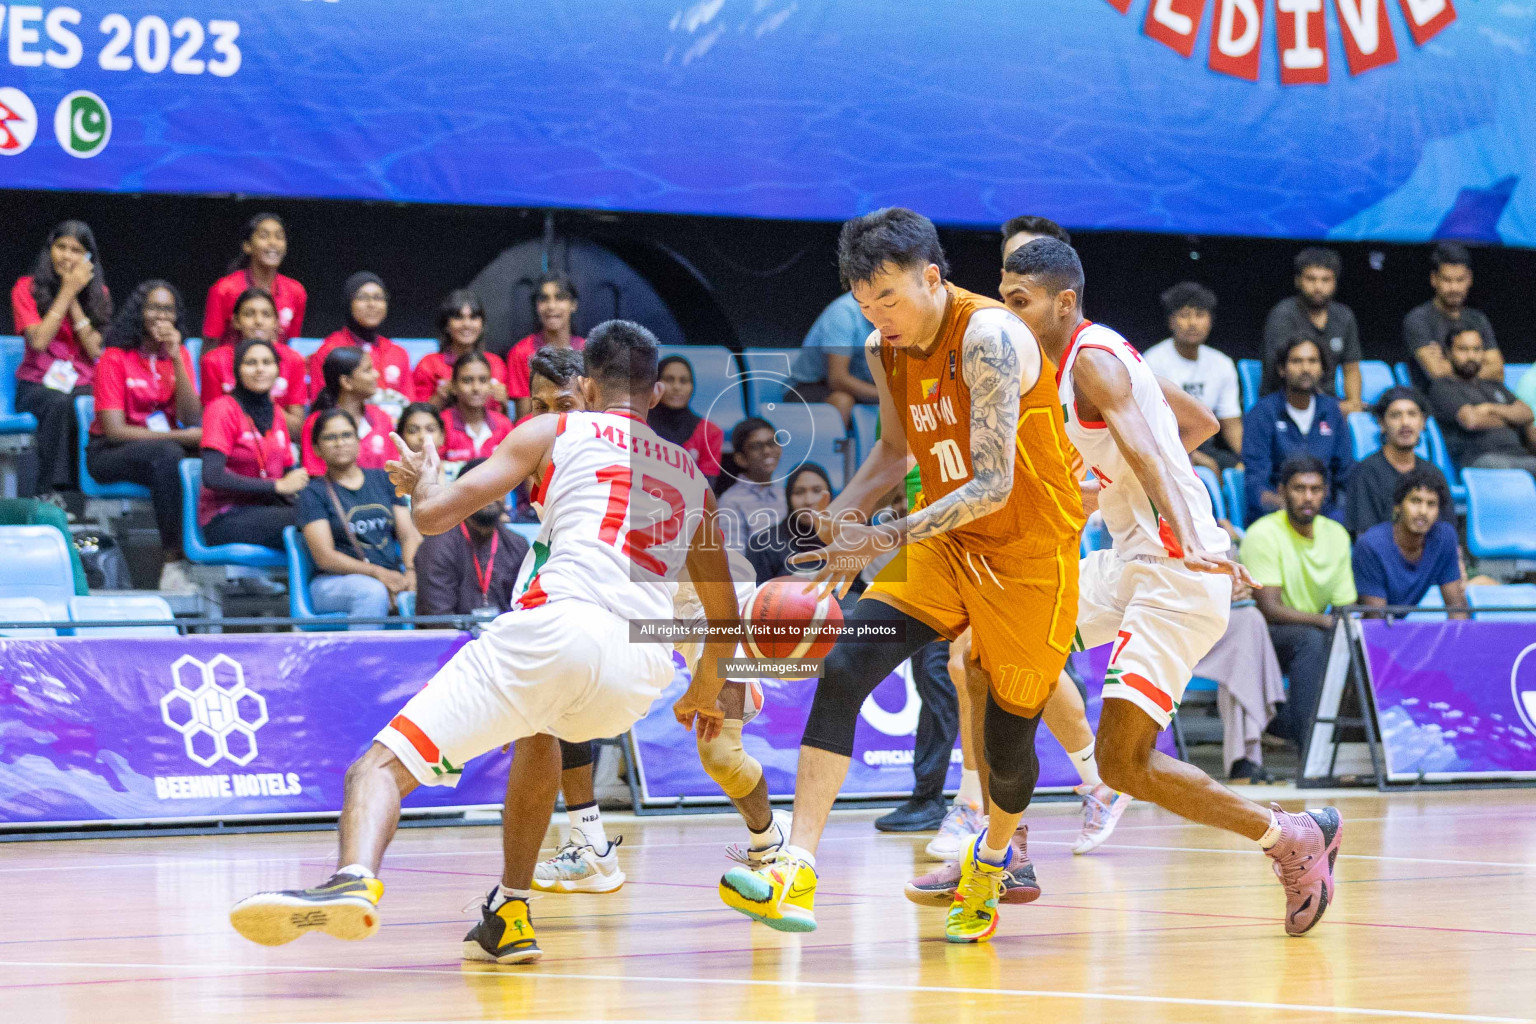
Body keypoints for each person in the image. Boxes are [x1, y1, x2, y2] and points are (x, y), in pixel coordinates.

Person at [229, 320, 737, 967]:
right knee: (541, 731)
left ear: (582, 385)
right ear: (660, 392)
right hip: (638, 672)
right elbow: (724, 622)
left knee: (378, 768)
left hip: (559, 626)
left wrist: (421, 483)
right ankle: (510, 913)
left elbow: (437, 519)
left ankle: (353, 877)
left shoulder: (556, 429)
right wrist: (701, 688)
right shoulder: (694, 476)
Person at [718, 208, 1087, 942]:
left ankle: (992, 859)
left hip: (1029, 554)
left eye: (889, 298)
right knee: (846, 662)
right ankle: (798, 865)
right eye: (864, 303)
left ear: (931, 277)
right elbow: (893, 454)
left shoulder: (988, 338)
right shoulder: (883, 347)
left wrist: (882, 534)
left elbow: (991, 485)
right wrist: (843, 527)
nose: (878, 316)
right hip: (947, 550)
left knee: (1010, 747)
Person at [1006, 237, 1340, 938]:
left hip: (1174, 573)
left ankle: (1291, 836)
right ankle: (997, 843)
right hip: (1134, 558)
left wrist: (1194, 539)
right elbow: (1200, 424)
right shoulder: (1094, 357)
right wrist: (1107, 488)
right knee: (990, 645)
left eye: (1019, 302)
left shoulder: (1093, 363)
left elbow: (1159, 448)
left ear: (1064, 302)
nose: (1008, 315)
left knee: (1125, 763)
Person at [88, 280, 202, 593]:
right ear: (140, 312)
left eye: (169, 309)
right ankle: (172, 563)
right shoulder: (115, 357)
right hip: (109, 452)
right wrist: (181, 439)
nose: (162, 316)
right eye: (154, 308)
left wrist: (177, 358)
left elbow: (190, 417)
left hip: (161, 450)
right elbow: (114, 430)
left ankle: (210, 555)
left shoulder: (176, 357)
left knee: (214, 452)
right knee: (169, 454)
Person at [1240, 455, 1357, 749]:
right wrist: (1324, 621)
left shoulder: (1337, 535)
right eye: (1299, 488)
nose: (1308, 497)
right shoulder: (1262, 534)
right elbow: (1269, 609)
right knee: (1311, 640)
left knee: (1354, 642)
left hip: (1309, 630)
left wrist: (1342, 628)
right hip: (1261, 636)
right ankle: (1311, 752)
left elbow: (1346, 604)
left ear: (1326, 493)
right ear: (1282, 491)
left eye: (1316, 489)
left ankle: (1358, 746)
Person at [12, 220, 110, 499]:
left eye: (76, 250)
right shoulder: (26, 288)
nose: (67, 256)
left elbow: (96, 352)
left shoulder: (99, 295)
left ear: (88, 258)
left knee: (95, 401)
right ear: (49, 250)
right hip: (37, 385)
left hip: (82, 382)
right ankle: (49, 493)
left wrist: (75, 298)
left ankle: (88, 494)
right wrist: (66, 290)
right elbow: (39, 342)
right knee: (58, 401)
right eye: (61, 247)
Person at [296, 408, 421, 629]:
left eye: (346, 435)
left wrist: (410, 572)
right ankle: (364, 662)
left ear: (358, 440)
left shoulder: (384, 480)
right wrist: (378, 574)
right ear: (316, 449)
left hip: (391, 574)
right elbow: (325, 557)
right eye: (330, 437)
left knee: (429, 584)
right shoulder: (313, 493)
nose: (339, 443)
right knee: (371, 592)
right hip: (332, 583)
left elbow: (409, 535)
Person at [198, 338, 309, 551]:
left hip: (267, 509)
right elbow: (212, 477)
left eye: (267, 362)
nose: (260, 369)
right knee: (315, 521)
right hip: (226, 517)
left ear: (277, 370)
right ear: (237, 370)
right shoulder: (221, 409)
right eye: (251, 363)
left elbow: (287, 474)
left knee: (328, 511)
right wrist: (276, 485)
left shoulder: (276, 413)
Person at [1242, 336, 1353, 525]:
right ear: (1282, 369)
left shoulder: (1332, 411)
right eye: (1296, 361)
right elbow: (1256, 483)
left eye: (1312, 361)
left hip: (1326, 516)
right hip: (1277, 516)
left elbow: (1345, 473)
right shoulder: (1262, 413)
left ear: (1322, 368)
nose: (1305, 368)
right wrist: (1296, 511)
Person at [1142, 282, 1243, 472]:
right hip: (1165, 444)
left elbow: (1231, 423)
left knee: (1242, 470)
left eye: (1199, 315)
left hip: (1206, 442)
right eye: (1184, 315)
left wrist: (1247, 459)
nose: (1192, 323)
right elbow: (1149, 425)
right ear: (1171, 321)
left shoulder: (1222, 363)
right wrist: (1195, 457)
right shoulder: (1152, 361)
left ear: (1210, 321)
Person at [413, 457, 529, 619]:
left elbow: (527, 610)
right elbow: (438, 619)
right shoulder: (437, 545)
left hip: (506, 639)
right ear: (459, 495)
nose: (490, 494)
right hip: (454, 641)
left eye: (497, 486)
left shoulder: (518, 544)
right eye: (481, 486)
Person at [1353, 468, 1467, 615]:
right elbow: (1376, 620)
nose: (1423, 511)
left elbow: (1457, 608)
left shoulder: (1445, 538)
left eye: (1431, 504)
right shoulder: (1371, 545)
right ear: (1397, 506)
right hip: (1361, 630)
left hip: (1398, 627)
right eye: (1415, 501)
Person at [1261, 248, 1363, 410]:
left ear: (1335, 282)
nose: (1318, 287)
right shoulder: (1282, 315)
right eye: (1311, 279)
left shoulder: (1344, 315)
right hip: (1286, 402)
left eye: (1325, 280)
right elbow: (1280, 372)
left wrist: (1353, 403)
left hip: (1328, 403)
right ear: (1298, 280)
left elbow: (1351, 368)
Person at [199, 288, 309, 437]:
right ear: (236, 321)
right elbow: (211, 423)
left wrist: (261, 402)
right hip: (231, 443)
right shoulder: (213, 361)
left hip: (279, 443)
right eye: (249, 314)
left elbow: (296, 429)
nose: (258, 321)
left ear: (276, 323)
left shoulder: (294, 360)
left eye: (266, 315)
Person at [1345, 386, 1454, 535]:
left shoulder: (1433, 474)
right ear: (1381, 423)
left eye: (1412, 414)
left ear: (1422, 422)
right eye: (1396, 415)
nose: (1405, 423)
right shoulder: (1366, 473)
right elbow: (1365, 539)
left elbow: (1447, 533)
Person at [1429, 328, 1536, 476]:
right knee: (1505, 470)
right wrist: (1511, 419)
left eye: (1476, 349)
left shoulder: (1494, 384)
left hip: (1520, 456)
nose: (1471, 356)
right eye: (1463, 349)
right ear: (1448, 353)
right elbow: (1471, 421)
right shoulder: (1444, 387)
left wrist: (1490, 408)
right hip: (1481, 460)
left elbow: (1527, 414)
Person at [309, 273, 414, 420]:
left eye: (378, 297)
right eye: (362, 297)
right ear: (348, 303)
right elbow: (320, 410)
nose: (372, 304)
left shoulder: (398, 353)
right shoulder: (329, 351)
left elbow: (410, 408)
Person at [1403, 242, 1503, 393]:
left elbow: (1498, 371)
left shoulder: (1478, 319)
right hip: (1437, 402)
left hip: (1481, 396)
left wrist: (1449, 364)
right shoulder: (1418, 319)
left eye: (1460, 280)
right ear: (1434, 279)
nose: (1454, 288)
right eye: (1447, 280)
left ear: (1469, 278)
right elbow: (1437, 372)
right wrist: (1475, 365)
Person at [202, 213, 306, 346]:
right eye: (264, 236)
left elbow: (291, 346)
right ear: (247, 246)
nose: (273, 243)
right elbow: (209, 350)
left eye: (279, 237)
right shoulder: (223, 289)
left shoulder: (296, 292)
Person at [300, 347, 399, 475]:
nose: (376, 374)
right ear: (346, 382)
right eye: (367, 370)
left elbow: (393, 470)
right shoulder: (315, 423)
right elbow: (314, 475)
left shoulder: (382, 418)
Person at [787, 292, 879, 423]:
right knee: (843, 400)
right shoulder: (843, 313)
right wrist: (891, 396)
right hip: (808, 387)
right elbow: (837, 380)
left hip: (863, 387)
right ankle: (840, 444)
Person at [412, 289, 509, 412]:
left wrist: (503, 402)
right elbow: (417, 417)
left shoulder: (496, 364)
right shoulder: (429, 365)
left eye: (473, 317)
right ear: (446, 325)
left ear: (482, 324)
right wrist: (441, 397)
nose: (467, 324)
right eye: (458, 317)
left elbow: (503, 420)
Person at [505, 272, 583, 419]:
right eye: (544, 299)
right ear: (536, 306)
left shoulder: (588, 351)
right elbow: (524, 418)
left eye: (560, 298)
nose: (551, 306)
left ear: (573, 305)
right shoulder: (521, 352)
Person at [744, 463, 833, 583]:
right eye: (799, 492)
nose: (808, 500)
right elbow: (756, 597)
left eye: (817, 491)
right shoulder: (763, 545)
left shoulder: (847, 541)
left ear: (830, 494)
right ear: (788, 497)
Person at [652, 355, 725, 480]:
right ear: (656, 384)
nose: (677, 387)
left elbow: (707, 486)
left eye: (684, 381)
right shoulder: (639, 424)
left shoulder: (710, 432)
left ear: (692, 387)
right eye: (669, 379)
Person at [717, 416, 784, 550]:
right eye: (756, 447)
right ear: (741, 459)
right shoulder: (731, 502)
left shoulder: (784, 493)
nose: (767, 451)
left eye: (772, 443)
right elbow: (735, 559)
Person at [441, 353, 514, 463]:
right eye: (467, 380)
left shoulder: (504, 425)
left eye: (483, 380)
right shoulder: (441, 424)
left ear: (490, 385)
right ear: (454, 386)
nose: (476, 388)